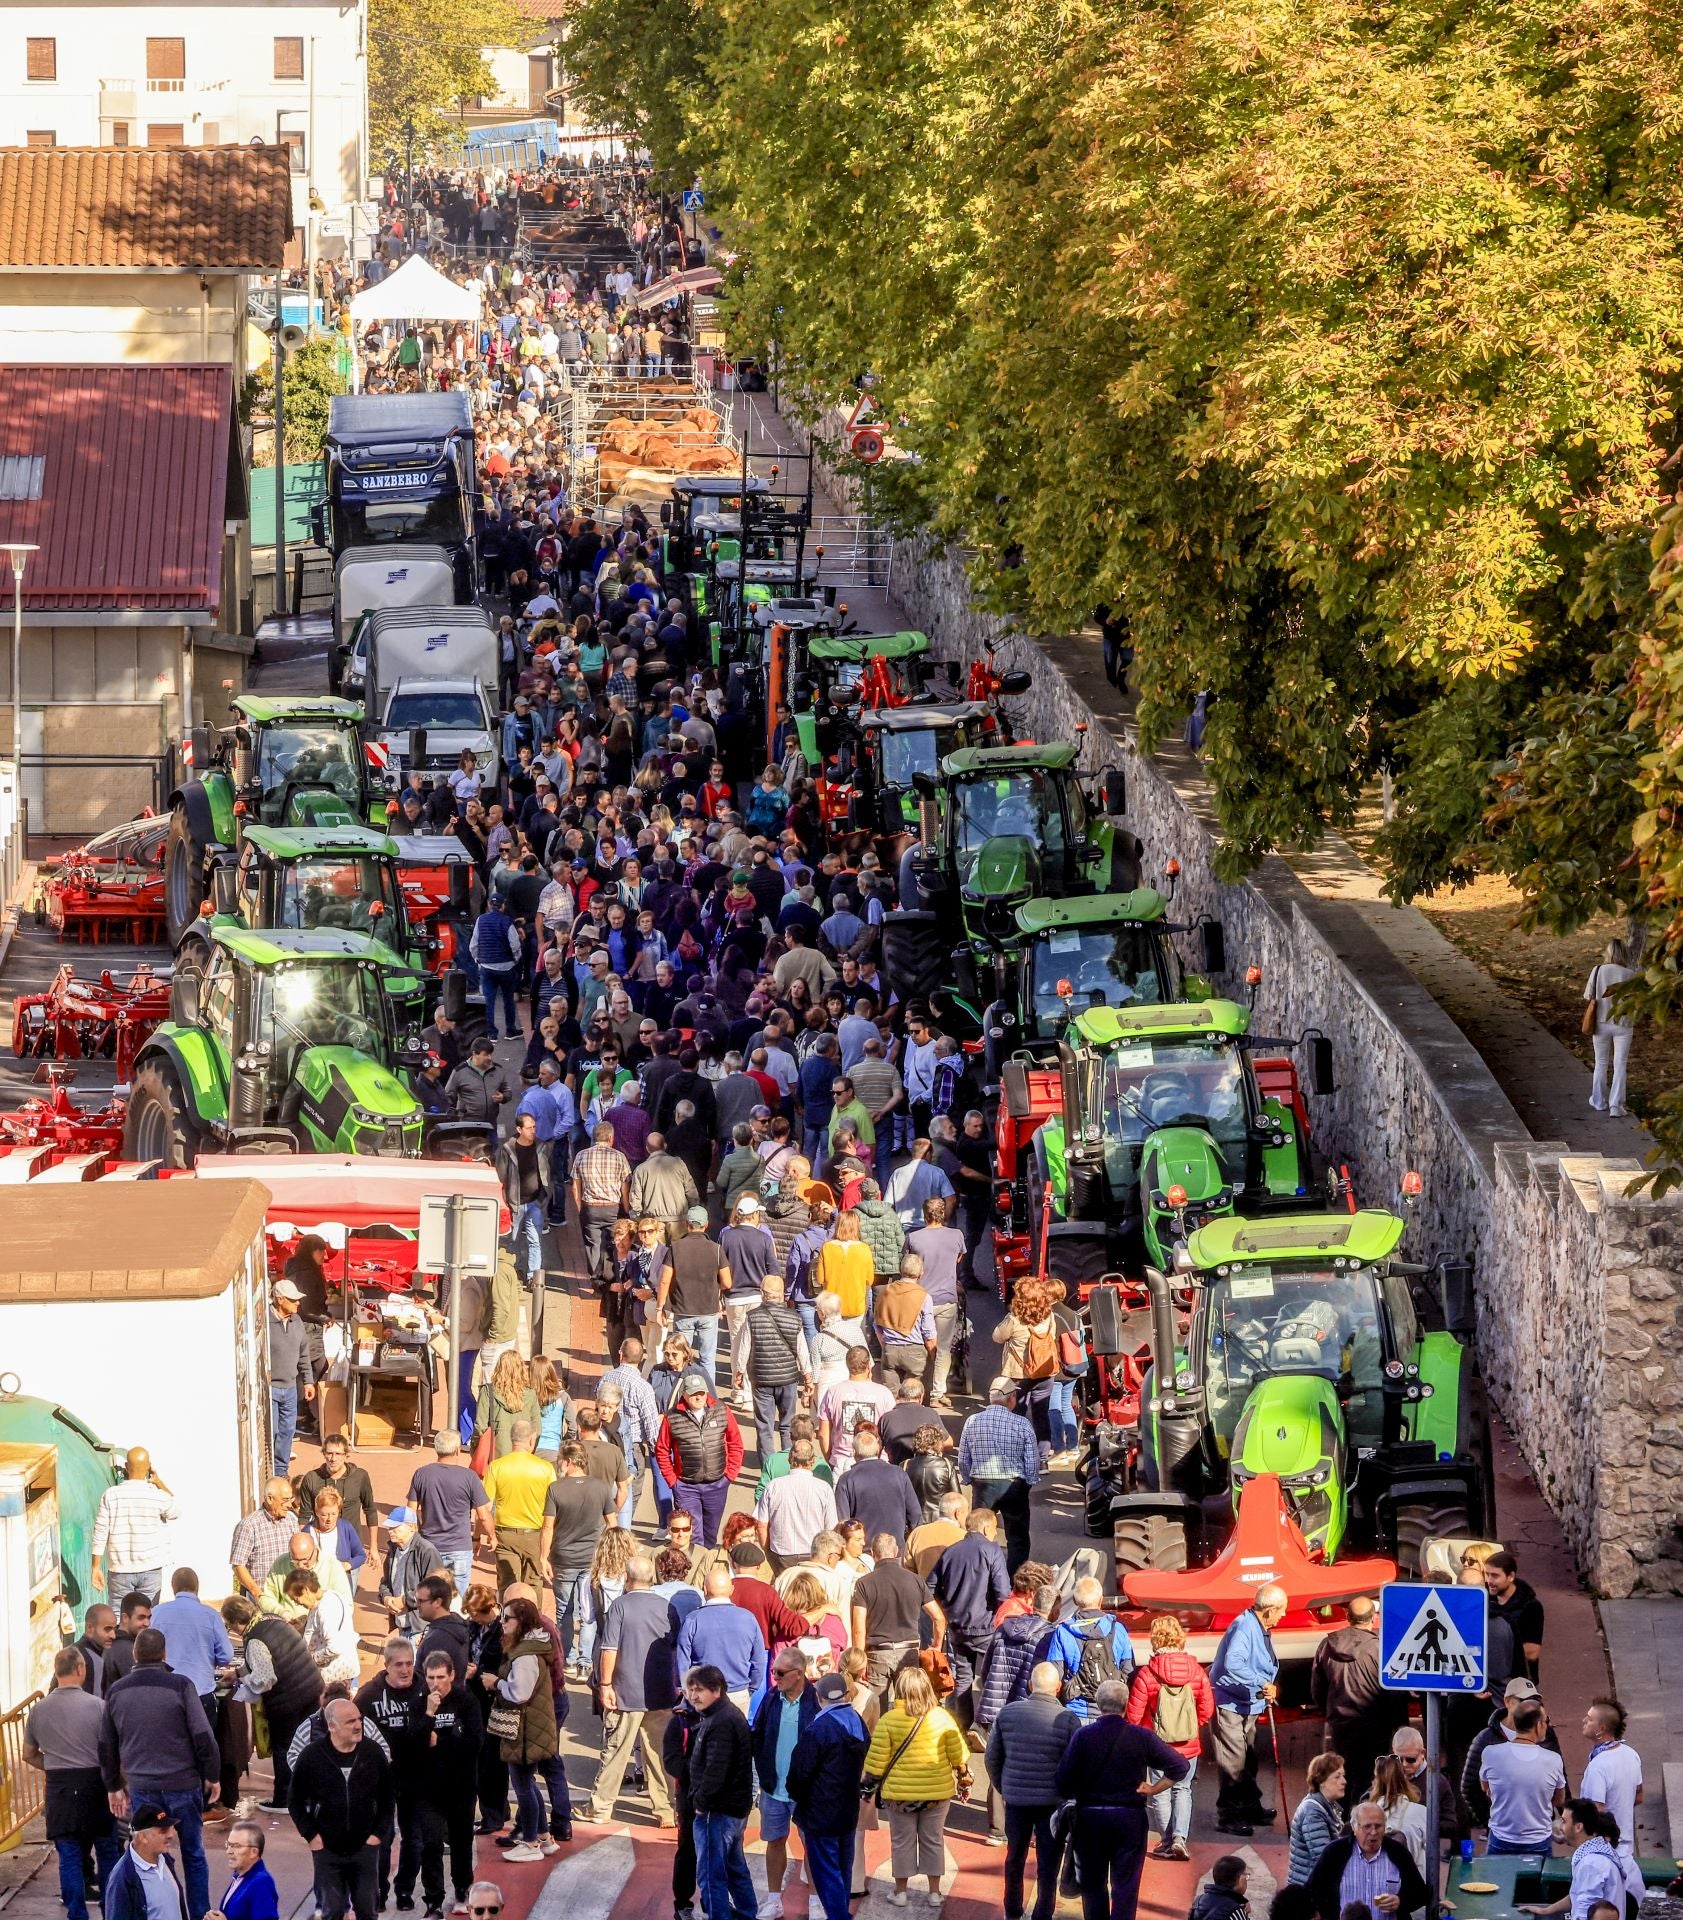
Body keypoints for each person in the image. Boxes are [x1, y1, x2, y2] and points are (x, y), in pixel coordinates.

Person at [99, 1628, 220, 1920]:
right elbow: (203, 1736)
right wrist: (212, 1775)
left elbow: (106, 1743)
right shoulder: (180, 1686)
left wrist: (113, 1784)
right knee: (193, 1852)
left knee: (152, 1853)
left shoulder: (117, 1691)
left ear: (134, 1655)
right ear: (164, 1655)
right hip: (183, 1784)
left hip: (143, 1788)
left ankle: (164, 1908)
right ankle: (200, 1913)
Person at [1054, 1678, 1190, 1920]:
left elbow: (1063, 1780)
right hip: (1129, 1818)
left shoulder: (1083, 1736)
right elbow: (1179, 1766)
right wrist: (1154, 1789)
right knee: (1125, 1887)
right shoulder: (1141, 1736)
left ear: (1098, 1703)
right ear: (1126, 1704)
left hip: (1091, 1818)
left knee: (1093, 1885)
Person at [23, 1647, 121, 1920]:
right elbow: (112, 1751)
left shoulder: (38, 1711)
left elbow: (28, 1754)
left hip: (60, 1788)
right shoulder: (99, 1707)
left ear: (56, 1671)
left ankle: (77, 1914)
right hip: (95, 1784)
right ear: (81, 1669)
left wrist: (53, 1764)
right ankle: (110, 1910)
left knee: (69, 1856)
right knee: (107, 1851)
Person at [863, 1664, 970, 1908]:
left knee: (902, 1842)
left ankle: (900, 1892)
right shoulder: (942, 1717)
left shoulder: (889, 1720)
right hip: (937, 1793)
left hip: (899, 1796)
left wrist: (867, 1788)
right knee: (933, 1840)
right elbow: (959, 1755)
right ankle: (934, 1892)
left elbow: (876, 1762)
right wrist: (964, 1776)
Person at [589, 1551, 679, 1827]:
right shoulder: (667, 1607)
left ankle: (601, 1808)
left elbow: (609, 1649)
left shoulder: (620, 1606)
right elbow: (676, 1648)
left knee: (615, 1751)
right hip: (660, 1694)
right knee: (659, 1754)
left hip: (625, 1693)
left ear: (627, 1578)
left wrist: (604, 1684)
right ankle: (665, 1810)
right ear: (652, 1578)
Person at [986, 1660, 1079, 1920]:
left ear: (1030, 1684)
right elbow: (1075, 1764)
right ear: (1058, 1687)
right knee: (1048, 1865)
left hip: (1016, 1800)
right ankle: (1042, 1914)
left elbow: (992, 1757)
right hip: (1052, 1803)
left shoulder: (1008, 1713)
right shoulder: (1068, 1719)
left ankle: (1012, 1911)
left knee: (1015, 1857)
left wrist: (1004, 1786)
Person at [287, 1699, 395, 1920]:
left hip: (365, 1847)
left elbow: (388, 1797)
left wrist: (377, 1835)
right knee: (332, 1911)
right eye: (350, 1722)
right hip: (327, 1849)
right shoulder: (312, 1756)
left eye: (359, 1719)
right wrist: (311, 1836)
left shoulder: (373, 1753)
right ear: (332, 1726)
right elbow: (294, 1800)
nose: (357, 1726)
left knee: (367, 1910)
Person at [219, 1596, 322, 1812]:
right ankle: (310, 1795)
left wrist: (245, 1681)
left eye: (229, 1625)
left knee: (284, 1747)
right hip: (311, 1688)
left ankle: (284, 1799)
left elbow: (265, 1678)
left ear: (237, 1623)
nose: (231, 1630)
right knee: (308, 1744)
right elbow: (270, 1659)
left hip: (288, 1698)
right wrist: (237, 1673)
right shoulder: (270, 1619)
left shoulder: (254, 1639)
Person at [1124, 1613, 1214, 1859]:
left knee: (1159, 1791)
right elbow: (1207, 1709)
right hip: (1188, 1744)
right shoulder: (1197, 1672)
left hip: (1157, 1744)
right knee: (1183, 1789)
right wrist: (1191, 1726)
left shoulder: (1147, 1674)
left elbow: (1134, 1715)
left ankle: (1165, 1841)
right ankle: (1179, 1839)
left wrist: (1145, 1736)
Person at [493, 1594, 571, 1861]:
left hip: (526, 1730)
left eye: (507, 1618)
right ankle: (543, 1837)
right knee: (528, 1783)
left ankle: (530, 1843)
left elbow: (519, 1692)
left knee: (523, 1785)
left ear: (522, 1621)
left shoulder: (526, 1654)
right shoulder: (533, 1646)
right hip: (532, 1727)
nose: (502, 1622)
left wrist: (496, 1683)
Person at [787, 1668, 868, 1920]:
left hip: (820, 1813)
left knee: (826, 1875)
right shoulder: (857, 1722)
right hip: (847, 1810)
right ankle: (840, 1913)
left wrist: (799, 1797)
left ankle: (838, 1917)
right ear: (845, 1695)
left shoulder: (819, 1729)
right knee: (843, 1870)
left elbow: (799, 1773)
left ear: (819, 1697)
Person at [354, 1639, 428, 1915]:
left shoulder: (424, 1688)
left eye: (410, 1663)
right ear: (386, 1666)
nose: (406, 1669)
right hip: (380, 1779)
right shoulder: (369, 1695)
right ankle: (379, 1892)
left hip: (416, 1776)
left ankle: (405, 1889)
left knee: (415, 1838)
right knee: (382, 1840)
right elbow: (352, 1731)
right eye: (399, 1664)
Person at [1311, 1597, 1407, 1806]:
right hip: (1374, 1724)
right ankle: (1362, 1820)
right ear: (1374, 1618)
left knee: (1343, 1772)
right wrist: (1400, 1725)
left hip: (1341, 1723)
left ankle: (1343, 1820)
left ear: (1348, 1617)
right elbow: (1394, 1692)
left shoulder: (1327, 1645)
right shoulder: (1380, 1649)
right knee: (1370, 1776)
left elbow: (1317, 1686)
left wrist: (1328, 1711)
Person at [1208, 1583, 1286, 1835]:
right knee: (1233, 1762)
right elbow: (1233, 1662)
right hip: (1230, 1703)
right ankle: (1229, 1816)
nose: (1283, 1615)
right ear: (1270, 1609)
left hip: (1248, 1703)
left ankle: (1250, 1807)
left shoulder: (1259, 1626)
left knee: (1248, 1759)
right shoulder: (1244, 1626)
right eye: (1281, 1610)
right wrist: (1261, 1682)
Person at [414, 1650, 484, 1919]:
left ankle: (462, 1890)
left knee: (461, 1841)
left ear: (452, 1675)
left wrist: (439, 1742)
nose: (435, 1683)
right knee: (430, 1844)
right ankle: (433, 1901)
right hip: (428, 1789)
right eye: (430, 1677)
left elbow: (474, 1744)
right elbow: (414, 1743)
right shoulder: (419, 1701)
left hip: (460, 1786)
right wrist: (429, 1715)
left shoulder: (466, 1702)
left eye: (440, 1677)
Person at [686, 1663, 758, 1920]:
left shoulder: (721, 1721)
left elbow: (717, 1769)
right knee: (734, 1866)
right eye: (691, 1689)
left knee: (711, 1873)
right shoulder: (725, 1715)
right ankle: (748, 1914)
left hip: (718, 1811)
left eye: (699, 1690)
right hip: (732, 1808)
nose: (693, 1695)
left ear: (717, 1690)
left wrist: (701, 1803)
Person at [540, 1442, 618, 1676]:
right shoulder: (601, 1487)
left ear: (569, 1462)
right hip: (591, 1559)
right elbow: (612, 1524)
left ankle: (568, 1658)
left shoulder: (555, 1489)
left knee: (564, 1610)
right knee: (589, 1612)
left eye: (560, 1460)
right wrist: (610, 1555)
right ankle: (585, 1661)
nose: (559, 1464)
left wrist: (543, 1557)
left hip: (563, 1559)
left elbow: (547, 1528)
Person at [924, 1510, 1010, 1720]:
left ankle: (962, 1727)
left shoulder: (950, 1551)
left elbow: (929, 1588)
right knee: (992, 1678)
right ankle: (987, 1726)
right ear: (986, 1528)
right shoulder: (992, 1550)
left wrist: (946, 1609)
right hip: (986, 1627)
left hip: (956, 1627)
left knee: (963, 1678)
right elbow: (1003, 1592)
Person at [751, 1651, 818, 1918]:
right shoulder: (770, 1699)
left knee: (811, 1845)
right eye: (773, 1671)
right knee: (774, 1841)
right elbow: (757, 1735)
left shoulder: (816, 1701)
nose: (774, 1677)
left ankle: (815, 1900)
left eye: (780, 1673)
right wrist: (763, 1773)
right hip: (773, 1787)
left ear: (799, 1674)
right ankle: (774, 1899)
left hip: (805, 1791)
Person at [955, 1380, 1038, 1571]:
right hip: (1013, 1485)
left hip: (982, 1485)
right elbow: (1032, 1461)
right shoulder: (1022, 1423)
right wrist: (1028, 1483)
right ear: (1011, 1399)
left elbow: (963, 1458)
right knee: (1017, 1538)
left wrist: (969, 1479)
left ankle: (982, 1575)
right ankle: (1011, 1579)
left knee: (978, 1535)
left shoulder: (972, 1421)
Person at [654, 1371, 745, 1547]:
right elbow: (662, 1450)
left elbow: (736, 1443)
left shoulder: (721, 1410)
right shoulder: (672, 1417)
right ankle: (694, 1571)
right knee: (693, 1536)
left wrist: (730, 1475)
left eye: (701, 1393)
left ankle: (706, 1572)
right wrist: (673, 1481)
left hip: (717, 1484)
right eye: (694, 1394)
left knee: (711, 1534)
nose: (699, 1397)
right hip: (686, 1487)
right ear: (684, 1395)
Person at [1304, 1802, 1430, 1920]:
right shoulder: (1335, 1853)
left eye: (1378, 1826)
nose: (1373, 1832)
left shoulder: (1398, 1853)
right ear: (1354, 1827)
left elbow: (1420, 1893)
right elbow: (1313, 1891)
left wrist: (1400, 1901)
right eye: (1367, 1826)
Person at [1517, 1801, 1636, 1919]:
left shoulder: (1591, 1865)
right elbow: (1576, 1896)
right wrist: (1545, 1910)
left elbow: (1584, 1913)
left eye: (1564, 1821)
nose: (1560, 1827)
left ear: (1578, 1827)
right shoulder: (1595, 1852)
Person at [407, 1432, 493, 1595]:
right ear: (457, 1450)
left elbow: (410, 1512)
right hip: (459, 1548)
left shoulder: (422, 1474)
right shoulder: (469, 1477)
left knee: (430, 1597)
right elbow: (483, 1515)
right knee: (457, 1599)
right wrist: (491, 1537)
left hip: (429, 1546)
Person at [90, 1447, 179, 1603]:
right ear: (149, 1467)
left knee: (119, 1616)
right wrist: (159, 1482)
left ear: (126, 1466)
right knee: (147, 1617)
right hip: (150, 1568)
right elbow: (175, 1510)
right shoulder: (156, 1495)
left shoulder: (111, 1495)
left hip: (119, 1570)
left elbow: (100, 1532)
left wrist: (95, 1568)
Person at [850, 1534, 930, 1702]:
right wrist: (936, 1645)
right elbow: (938, 1617)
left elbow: (858, 1629)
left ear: (873, 1553)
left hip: (878, 1654)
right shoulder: (915, 1580)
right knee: (910, 1706)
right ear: (896, 1552)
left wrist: (859, 1661)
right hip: (909, 1652)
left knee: (876, 1709)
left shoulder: (864, 1583)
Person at [657, 1206, 731, 1387]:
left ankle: (682, 1392)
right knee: (707, 1358)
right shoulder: (716, 1249)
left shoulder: (675, 1248)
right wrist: (716, 1290)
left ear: (686, 1224)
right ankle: (708, 1398)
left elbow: (664, 1281)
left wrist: (661, 1307)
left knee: (681, 1357)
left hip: (683, 1311)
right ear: (706, 1225)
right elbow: (727, 1282)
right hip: (708, 1311)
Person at [675, 1566, 767, 1713]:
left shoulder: (693, 1619)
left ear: (705, 1590)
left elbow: (682, 1662)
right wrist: (750, 1688)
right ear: (731, 1590)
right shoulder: (748, 1618)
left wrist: (688, 1691)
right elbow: (759, 1660)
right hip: (739, 1692)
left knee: (704, 1735)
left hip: (703, 1693)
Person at [1044, 1575, 1135, 1722]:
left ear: (1075, 1601)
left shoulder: (1063, 1631)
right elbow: (1129, 1670)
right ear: (1101, 1599)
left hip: (1076, 1711)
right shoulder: (1118, 1629)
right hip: (1111, 1711)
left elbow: (1054, 1673)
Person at [150, 1570, 236, 1725]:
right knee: (204, 1745)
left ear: (173, 1587)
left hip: (166, 1693)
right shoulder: (211, 1615)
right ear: (197, 1587)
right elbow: (226, 1655)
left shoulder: (156, 1613)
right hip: (201, 1693)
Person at [743, 1273, 813, 1463]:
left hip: (761, 1378)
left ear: (762, 1294)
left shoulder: (752, 1317)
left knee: (764, 1426)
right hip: (788, 1378)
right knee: (787, 1424)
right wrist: (808, 1376)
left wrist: (739, 1373)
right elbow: (802, 1350)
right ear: (782, 1294)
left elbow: (744, 1347)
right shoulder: (794, 1317)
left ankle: (768, 1468)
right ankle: (788, 1463)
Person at [1480, 1702, 1567, 1854]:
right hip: (1539, 1841)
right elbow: (1559, 1799)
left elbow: (1485, 1787)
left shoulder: (1490, 1753)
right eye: (1547, 1721)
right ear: (1539, 1725)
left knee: (1495, 1878)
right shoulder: (1553, 1760)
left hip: (1500, 1838)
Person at [482, 1419, 556, 1592]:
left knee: (507, 1585)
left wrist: (481, 1535)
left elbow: (484, 1507)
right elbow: (553, 1507)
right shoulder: (546, 1468)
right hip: (534, 1536)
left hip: (504, 1535)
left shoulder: (496, 1466)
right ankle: (534, 1617)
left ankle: (505, 1618)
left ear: (511, 1439)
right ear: (532, 1439)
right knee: (533, 1583)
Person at [1579, 1698, 1644, 1880]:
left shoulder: (1598, 1766)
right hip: (1626, 1853)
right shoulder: (1631, 1754)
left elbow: (1595, 1812)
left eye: (1590, 1719)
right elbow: (1639, 1797)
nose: (1584, 1720)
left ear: (1601, 1729)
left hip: (1603, 1856)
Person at [755, 1437, 840, 1572]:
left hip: (781, 1556)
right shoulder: (824, 1489)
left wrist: (768, 1552)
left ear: (789, 1459)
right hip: (814, 1556)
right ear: (812, 1461)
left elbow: (761, 1525)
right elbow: (831, 1529)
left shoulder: (773, 1486)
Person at [835, 1425, 922, 1551]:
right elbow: (915, 1515)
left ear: (855, 1452)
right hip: (895, 1550)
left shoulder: (846, 1480)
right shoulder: (899, 1474)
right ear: (878, 1450)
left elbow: (843, 1523)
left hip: (863, 1554)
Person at [103, 1804, 188, 1920]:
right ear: (143, 1837)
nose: (171, 1835)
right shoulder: (122, 1879)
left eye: (170, 1829)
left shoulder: (165, 1860)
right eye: (163, 1831)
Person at [267, 1280, 317, 1477]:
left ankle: (281, 1471)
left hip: (289, 1387)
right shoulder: (264, 1323)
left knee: (287, 1431)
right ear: (280, 1300)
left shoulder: (297, 1322)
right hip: (271, 1387)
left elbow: (303, 1353)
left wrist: (308, 1381)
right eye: (293, 1300)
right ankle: (269, 1469)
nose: (298, 1304)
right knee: (272, 1432)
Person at [1584, 938, 1637, 1118]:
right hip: (1624, 1024)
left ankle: (1598, 1101)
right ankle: (1616, 1106)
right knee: (1620, 1064)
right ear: (1624, 954)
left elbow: (1588, 996)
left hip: (1600, 1023)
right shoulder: (1631, 974)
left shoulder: (1597, 970)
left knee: (1600, 1062)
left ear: (1608, 953)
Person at [296, 1435, 380, 1548]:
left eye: (338, 1454)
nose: (333, 1458)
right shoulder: (311, 1479)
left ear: (346, 1455)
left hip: (351, 1545)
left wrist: (373, 1547)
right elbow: (304, 1515)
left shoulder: (360, 1477)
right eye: (329, 1453)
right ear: (324, 1454)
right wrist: (306, 1544)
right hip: (322, 1546)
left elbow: (370, 1510)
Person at [1287, 1752, 1348, 1885]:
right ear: (1321, 1781)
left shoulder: (1327, 1806)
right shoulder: (1313, 1813)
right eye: (1337, 1777)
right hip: (1309, 1892)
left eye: (1343, 1776)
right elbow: (1324, 1858)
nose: (1344, 1781)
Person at [1483, 1552, 1545, 1681]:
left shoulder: (1531, 1607)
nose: (1489, 1581)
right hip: (1489, 1679)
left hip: (1518, 1681)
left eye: (1495, 1576)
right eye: (1487, 1574)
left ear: (1510, 1576)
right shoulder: (1484, 1599)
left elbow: (1532, 1652)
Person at [213, 1821, 279, 1920]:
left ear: (254, 1852)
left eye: (236, 1846)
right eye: (228, 1845)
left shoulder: (260, 1883)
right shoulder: (240, 1876)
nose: (229, 1851)